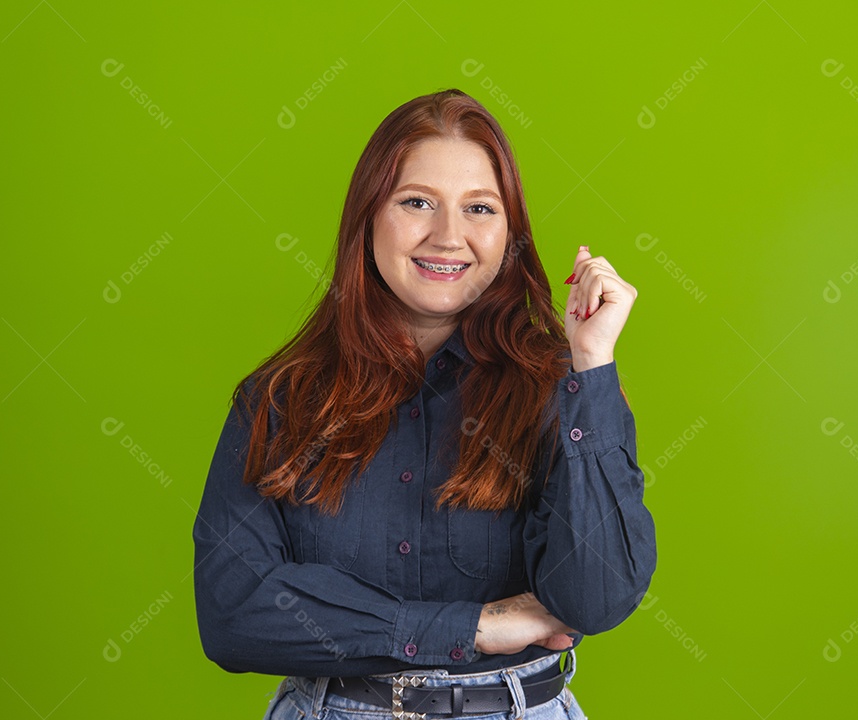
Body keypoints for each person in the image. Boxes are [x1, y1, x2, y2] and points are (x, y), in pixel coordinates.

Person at [192, 88, 657, 720]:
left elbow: (596, 600)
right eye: (417, 203)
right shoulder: (281, 399)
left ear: (509, 233)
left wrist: (591, 365)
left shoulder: (562, 390)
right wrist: (475, 627)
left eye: (479, 209)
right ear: (368, 218)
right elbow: (233, 613)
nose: (449, 237)